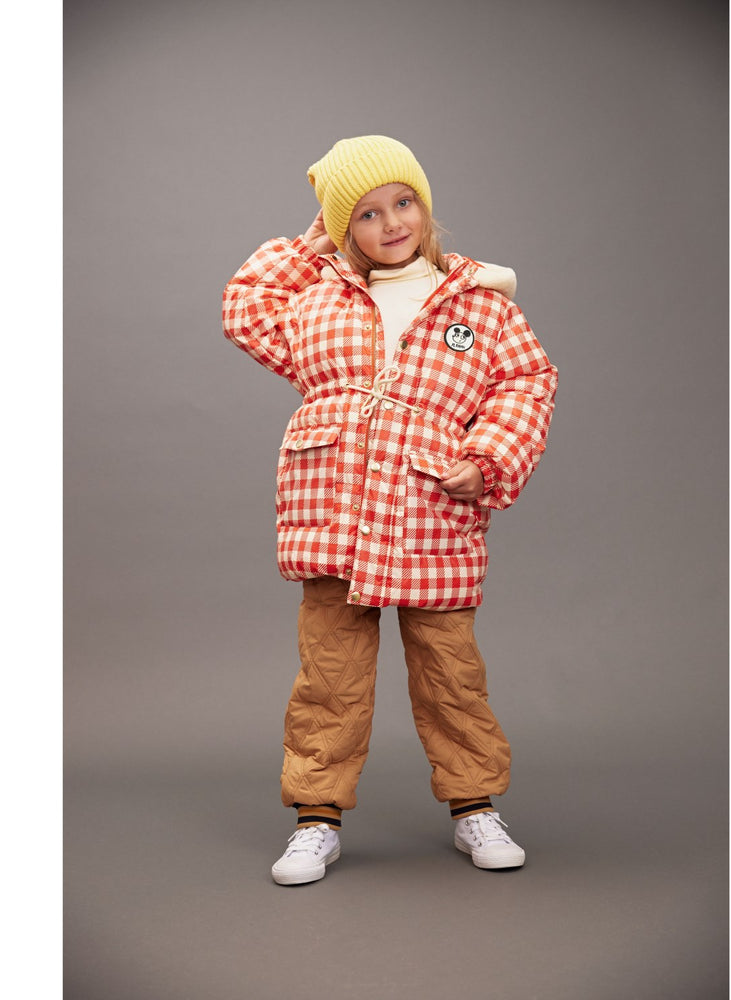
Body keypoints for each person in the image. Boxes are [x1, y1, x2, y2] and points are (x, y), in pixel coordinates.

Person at [221, 136, 558, 885]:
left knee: (451, 675)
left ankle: (475, 805)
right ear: (342, 228)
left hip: (430, 514)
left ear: (425, 205)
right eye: (366, 214)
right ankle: (316, 819)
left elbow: (526, 382)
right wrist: (308, 247)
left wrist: (489, 458)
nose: (392, 222)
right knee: (329, 678)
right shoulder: (318, 298)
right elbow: (245, 306)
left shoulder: (480, 303)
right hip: (335, 519)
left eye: (403, 202)